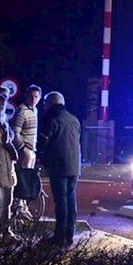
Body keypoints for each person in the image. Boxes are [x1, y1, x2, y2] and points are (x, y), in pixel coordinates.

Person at [37, 92, 81, 247]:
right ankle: (69, 234)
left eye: (45, 103)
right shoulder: (74, 119)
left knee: (61, 201)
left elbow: (43, 142)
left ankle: (59, 236)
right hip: (74, 166)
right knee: (70, 199)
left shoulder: (51, 118)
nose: (44, 106)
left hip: (58, 166)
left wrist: (40, 157)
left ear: (51, 103)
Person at [9, 85, 40, 220]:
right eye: (31, 96)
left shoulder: (35, 111)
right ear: (26, 96)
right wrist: (23, 148)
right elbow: (15, 132)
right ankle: (19, 207)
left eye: (36, 97)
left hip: (31, 150)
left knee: (27, 179)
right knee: (23, 180)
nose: (34, 99)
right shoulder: (22, 111)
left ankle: (23, 207)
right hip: (25, 150)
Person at [0, 94, 19, 239]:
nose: (3, 108)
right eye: (0, 105)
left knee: (6, 202)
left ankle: (5, 231)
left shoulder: (4, 124)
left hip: (7, 166)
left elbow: (8, 142)